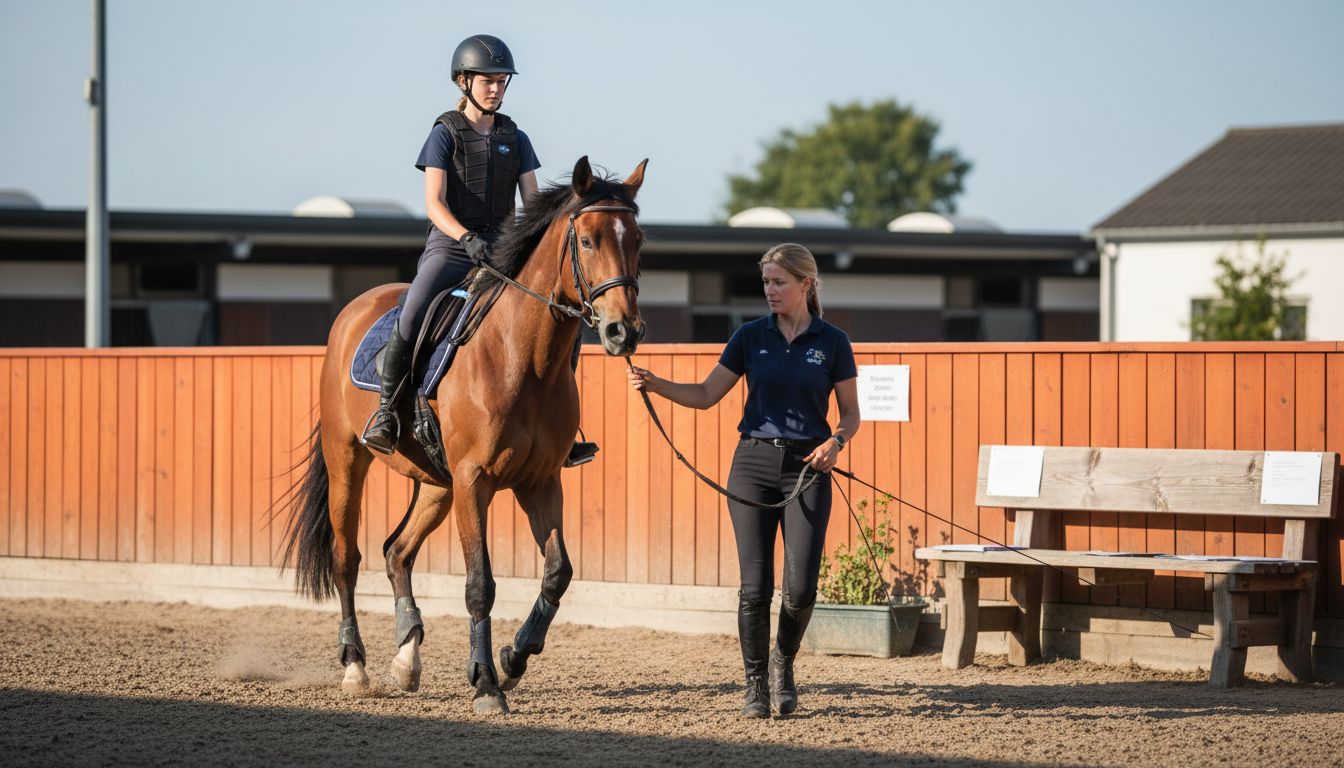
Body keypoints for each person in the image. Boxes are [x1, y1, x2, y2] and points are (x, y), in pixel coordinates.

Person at [628, 243, 860, 718]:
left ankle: (783, 663)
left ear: (805, 284)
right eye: (766, 282)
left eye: (779, 282)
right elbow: (707, 394)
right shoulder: (749, 336)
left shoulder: (832, 341)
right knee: (755, 587)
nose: (770, 291)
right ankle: (755, 682)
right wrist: (656, 384)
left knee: (801, 589)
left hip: (808, 469)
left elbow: (852, 414)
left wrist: (835, 442)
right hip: (752, 464)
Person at [362, 34, 599, 468]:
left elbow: (532, 204)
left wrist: (537, 243)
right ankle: (386, 413)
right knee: (414, 310)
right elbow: (433, 203)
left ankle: (559, 426)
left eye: (501, 81)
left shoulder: (517, 137)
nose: (495, 88)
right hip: (452, 247)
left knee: (564, 315)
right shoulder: (443, 134)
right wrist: (465, 238)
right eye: (487, 80)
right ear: (463, 82)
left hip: (504, 248)